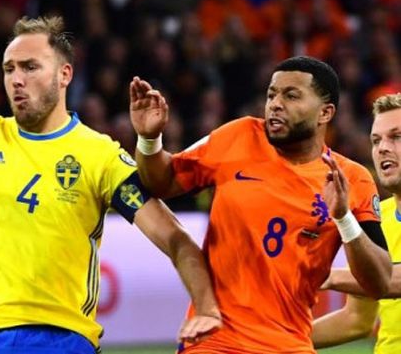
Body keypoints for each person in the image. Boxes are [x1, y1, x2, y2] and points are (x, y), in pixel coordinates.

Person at [0, 16, 222, 354]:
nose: (16, 79)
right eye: (9, 69)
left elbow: (175, 239)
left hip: (60, 337)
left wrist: (206, 309)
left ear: (65, 75)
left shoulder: (99, 156)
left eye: (30, 67)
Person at [129, 55, 392, 354]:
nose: (275, 104)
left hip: (290, 344)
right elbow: (162, 182)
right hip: (214, 341)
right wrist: (150, 140)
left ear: (325, 112)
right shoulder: (238, 136)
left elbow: (379, 282)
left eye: (291, 95)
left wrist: (344, 218)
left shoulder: (351, 179)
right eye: (271, 94)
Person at [312, 93, 401, 353]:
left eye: (397, 136)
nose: (382, 147)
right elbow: (356, 320)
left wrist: (325, 275)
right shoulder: (375, 220)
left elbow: (392, 281)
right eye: (376, 140)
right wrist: (273, 340)